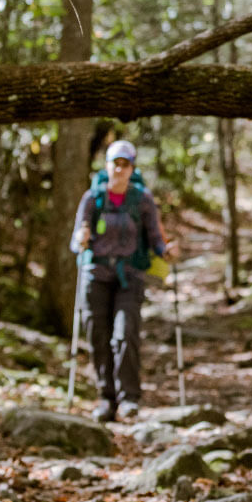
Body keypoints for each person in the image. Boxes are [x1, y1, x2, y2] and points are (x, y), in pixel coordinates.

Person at [70, 139, 177, 422]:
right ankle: (106, 398)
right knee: (98, 337)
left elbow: (155, 238)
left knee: (125, 334)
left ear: (132, 168)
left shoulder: (142, 199)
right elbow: (75, 242)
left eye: (125, 164)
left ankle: (129, 397)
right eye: (114, 163)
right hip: (96, 275)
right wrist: (81, 240)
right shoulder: (92, 199)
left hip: (129, 277)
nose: (119, 169)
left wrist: (166, 250)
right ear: (106, 166)